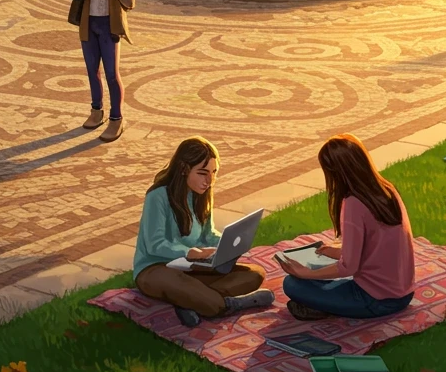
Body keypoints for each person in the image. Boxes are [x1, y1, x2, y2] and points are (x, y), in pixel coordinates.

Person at [133, 136, 273, 329]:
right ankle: (229, 304)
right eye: (202, 173)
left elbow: (207, 234)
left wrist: (226, 244)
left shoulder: (202, 195)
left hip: (192, 267)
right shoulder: (157, 196)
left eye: (214, 172)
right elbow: (155, 244)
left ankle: (190, 301)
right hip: (155, 268)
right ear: (183, 169)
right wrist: (188, 252)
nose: (210, 180)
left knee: (255, 273)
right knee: (183, 285)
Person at [279, 133, 415, 322]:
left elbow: (347, 268)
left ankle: (321, 306)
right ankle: (324, 304)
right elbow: (374, 249)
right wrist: (333, 252)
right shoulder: (386, 189)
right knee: (319, 274)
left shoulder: (353, 204)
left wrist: (306, 273)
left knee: (292, 284)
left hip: (374, 299)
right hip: (404, 294)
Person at [62, 0, 134, 143]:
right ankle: (96, 111)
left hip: (109, 26)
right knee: (92, 70)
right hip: (88, 24)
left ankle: (116, 118)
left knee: (112, 74)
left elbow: (130, 1)